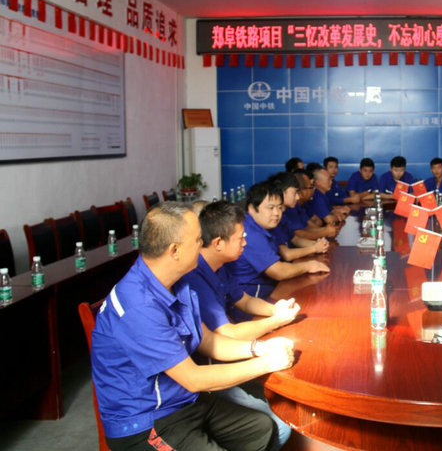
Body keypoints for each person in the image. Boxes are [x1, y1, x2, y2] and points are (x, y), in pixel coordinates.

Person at [91, 202, 294, 450]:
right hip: (146, 422)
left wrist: (259, 348)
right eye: (198, 239)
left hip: (185, 401)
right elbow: (193, 378)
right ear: (175, 250)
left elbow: (208, 341)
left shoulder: (180, 281)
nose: (203, 244)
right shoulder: (138, 306)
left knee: (264, 428)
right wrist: (267, 363)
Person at [174, 201, 300, 450]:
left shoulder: (219, 266)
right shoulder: (192, 277)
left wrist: (276, 311)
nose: (245, 242)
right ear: (217, 242)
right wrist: (275, 324)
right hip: (209, 374)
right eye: (240, 237)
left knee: (283, 404)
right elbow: (224, 336)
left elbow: (242, 300)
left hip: (223, 360)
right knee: (282, 422)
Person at [225, 181, 329, 301]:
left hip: (267, 289)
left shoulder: (263, 225)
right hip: (252, 297)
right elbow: (279, 271)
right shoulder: (250, 233)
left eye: (279, 208)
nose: (276, 213)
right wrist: (309, 265)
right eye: (270, 208)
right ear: (252, 209)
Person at [267, 172, 331, 262]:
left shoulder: (283, 215)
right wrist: (314, 249)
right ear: (282, 192)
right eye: (295, 193)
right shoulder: (274, 218)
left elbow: (295, 239)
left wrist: (317, 244)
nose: (297, 197)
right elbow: (287, 255)